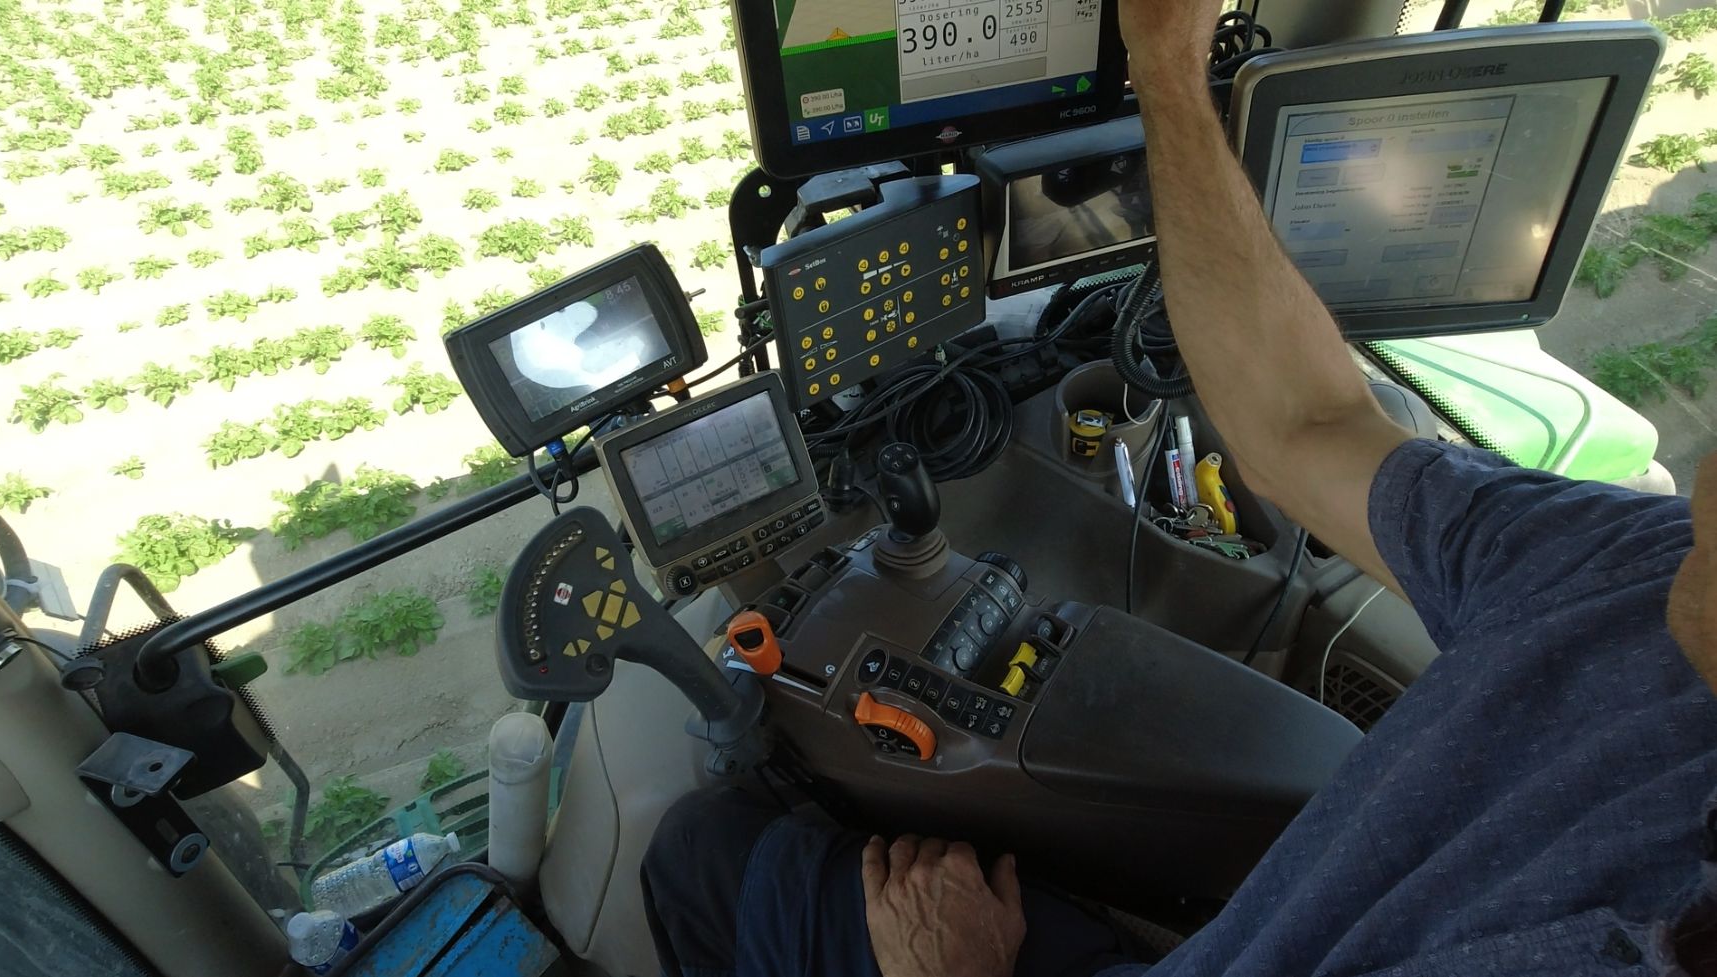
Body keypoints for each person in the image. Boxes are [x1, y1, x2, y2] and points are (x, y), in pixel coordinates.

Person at [641, 1, 1717, 974]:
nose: (1705, 484)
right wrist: (1165, 59)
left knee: (700, 851)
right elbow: (1311, 423)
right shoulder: (1638, 571)